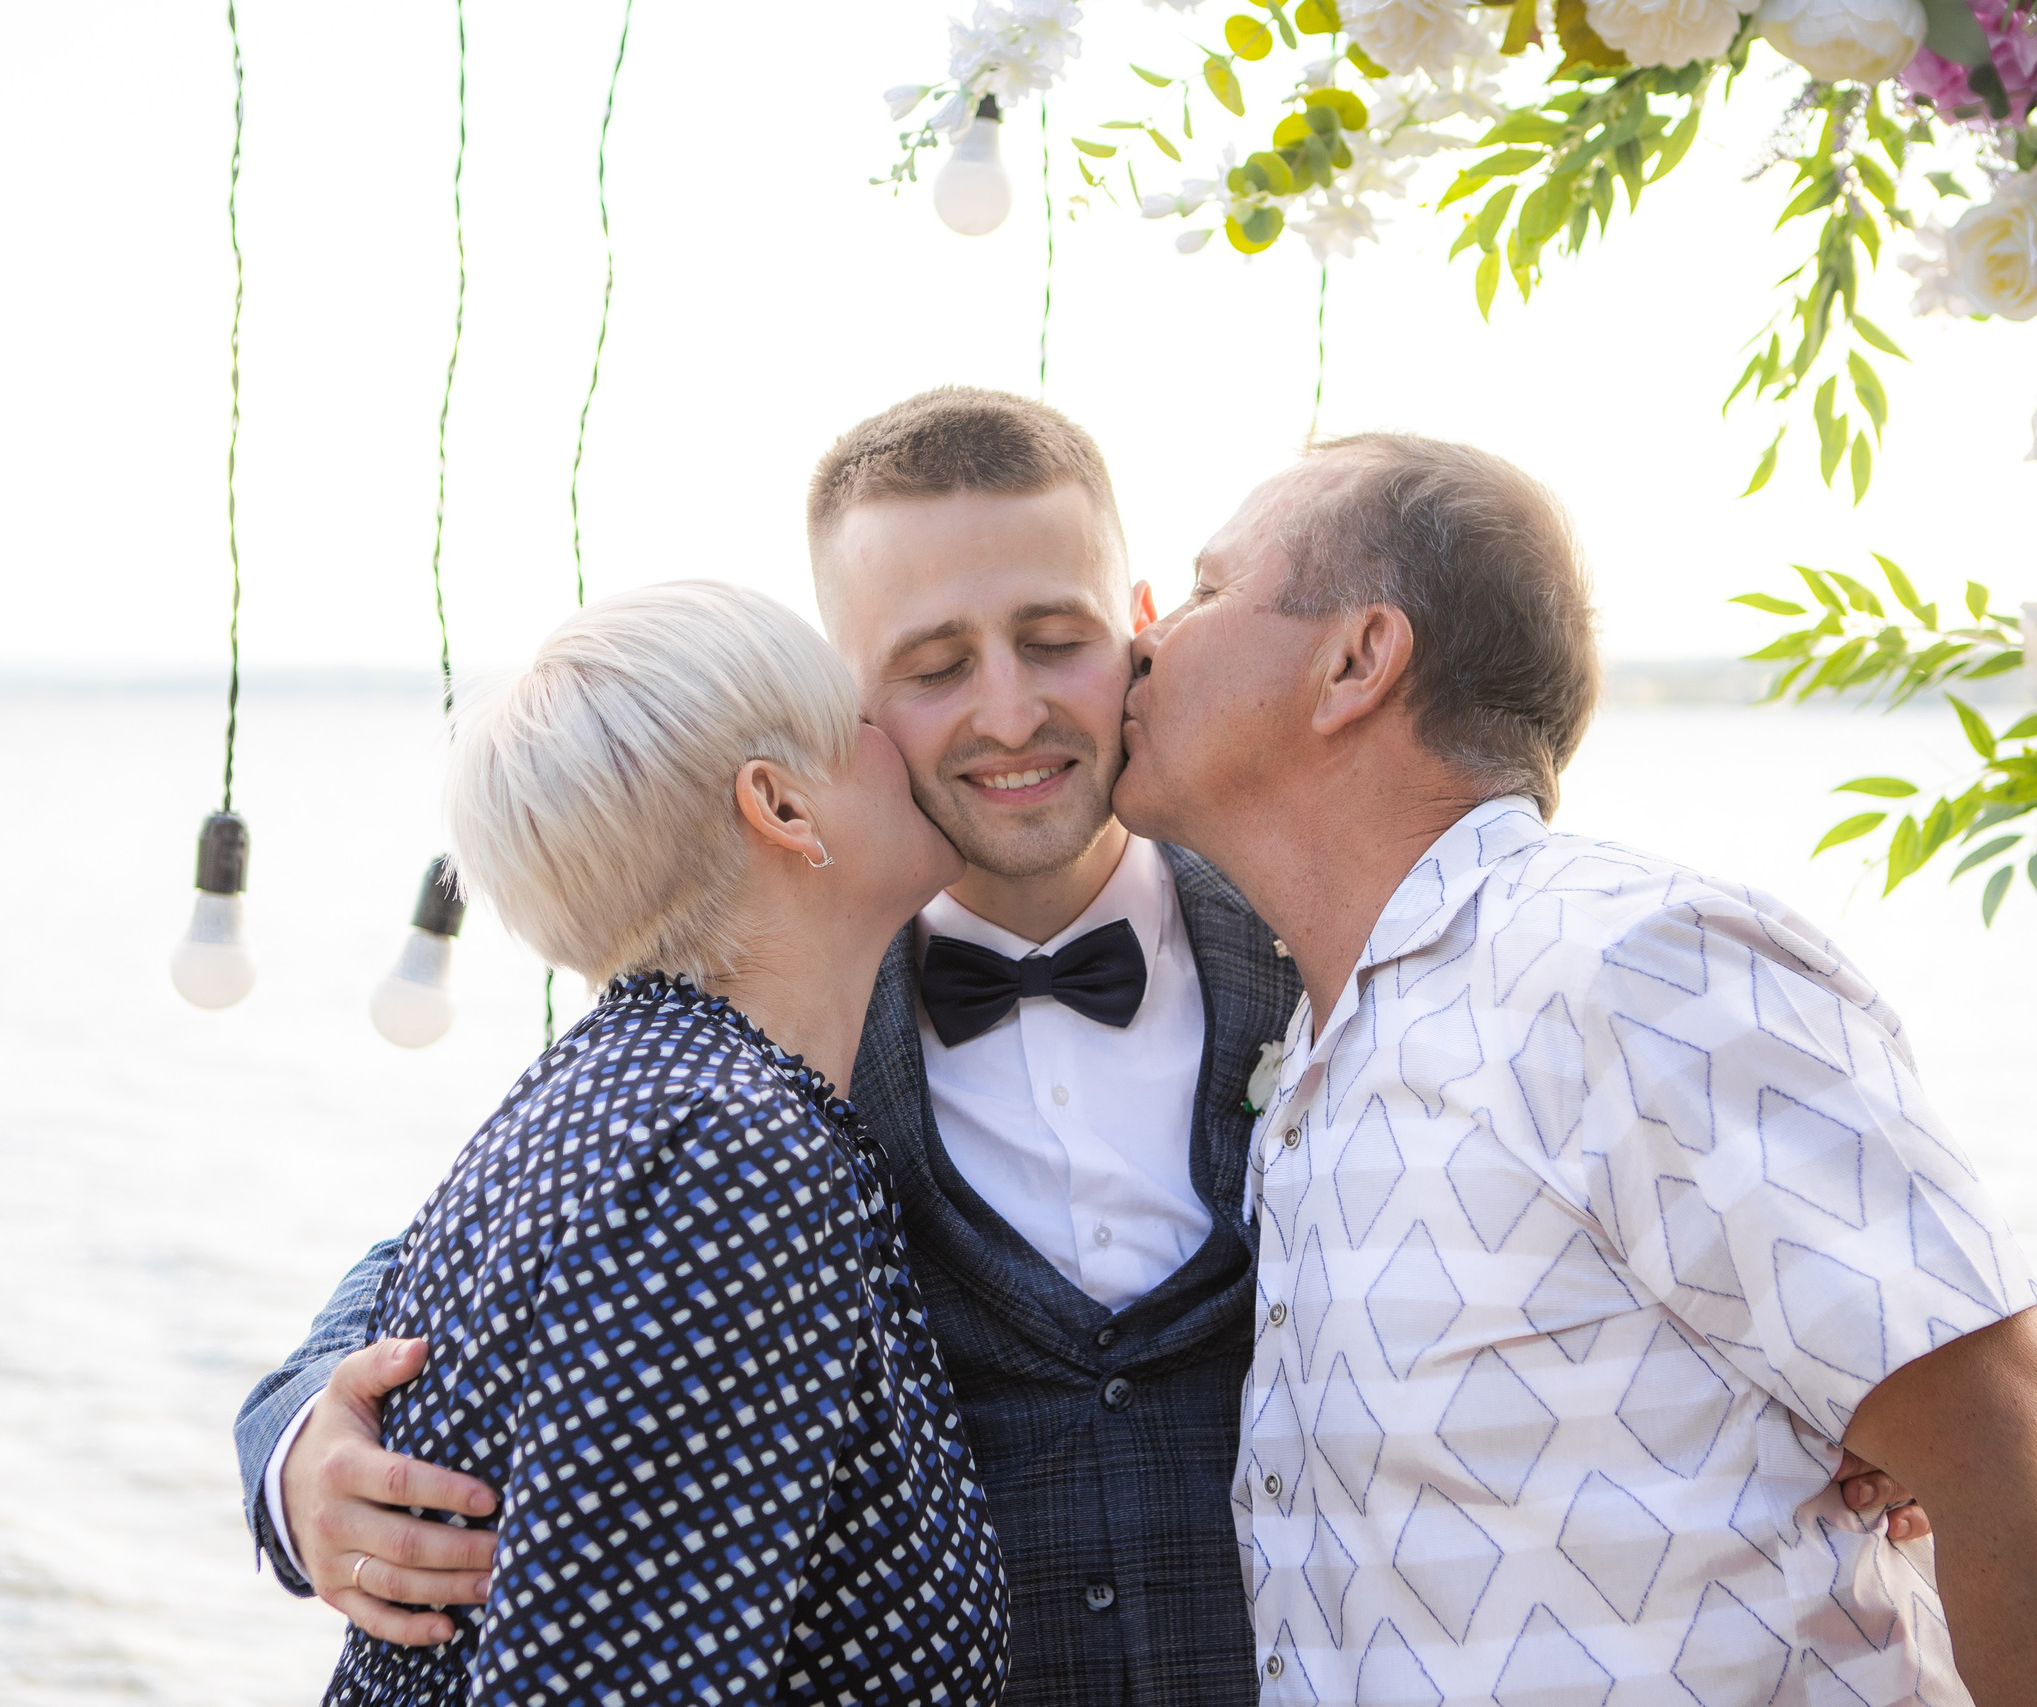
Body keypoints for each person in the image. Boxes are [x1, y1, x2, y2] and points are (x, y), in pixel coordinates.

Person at [237, 392, 1927, 1704]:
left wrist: (1835, 1394)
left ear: (1135, 623)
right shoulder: (761, 1035)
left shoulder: (1349, 945)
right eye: (929, 664)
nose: (1009, 710)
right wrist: (300, 1441)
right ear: (842, 701)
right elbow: (482, 1254)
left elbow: (1649, 1208)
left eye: (1052, 637)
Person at [1112, 433, 2037, 1705]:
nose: (1145, 638)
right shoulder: (1318, 1058)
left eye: (1204, 588)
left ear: (1356, 658)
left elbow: (2030, 1465)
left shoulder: (1626, 964)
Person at [315, 581, 1005, 1705]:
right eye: (864, 724)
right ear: (782, 807)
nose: (908, 741)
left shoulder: (618, 1095)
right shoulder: (723, 1152)